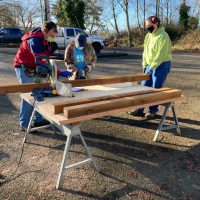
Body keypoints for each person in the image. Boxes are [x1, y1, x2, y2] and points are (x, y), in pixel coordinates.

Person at [14, 21, 73, 131]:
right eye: (52, 33)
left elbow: (47, 57)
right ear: (45, 31)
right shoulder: (34, 40)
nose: (54, 36)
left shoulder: (45, 40)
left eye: (55, 34)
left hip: (34, 66)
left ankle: (38, 119)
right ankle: (24, 123)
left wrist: (58, 57)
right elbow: (42, 62)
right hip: (23, 67)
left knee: (39, 91)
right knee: (28, 94)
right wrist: (59, 73)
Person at [130, 16, 172, 118]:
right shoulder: (148, 36)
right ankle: (139, 109)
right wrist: (145, 65)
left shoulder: (163, 36)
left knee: (155, 87)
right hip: (150, 65)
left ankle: (153, 111)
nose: (148, 27)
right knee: (144, 86)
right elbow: (145, 52)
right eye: (147, 26)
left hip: (162, 64)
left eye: (149, 25)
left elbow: (160, 55)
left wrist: (152, 67)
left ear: (156, 23)